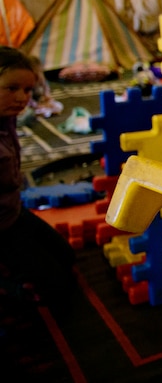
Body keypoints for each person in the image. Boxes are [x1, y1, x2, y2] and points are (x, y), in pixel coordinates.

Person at [0, 47, 77, 310]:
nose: (22, 98)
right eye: (11, 88)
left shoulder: (7, 120)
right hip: (2, 227)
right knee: (57, 290)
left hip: (14, 212)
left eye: (27, 90)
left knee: (67, 257)